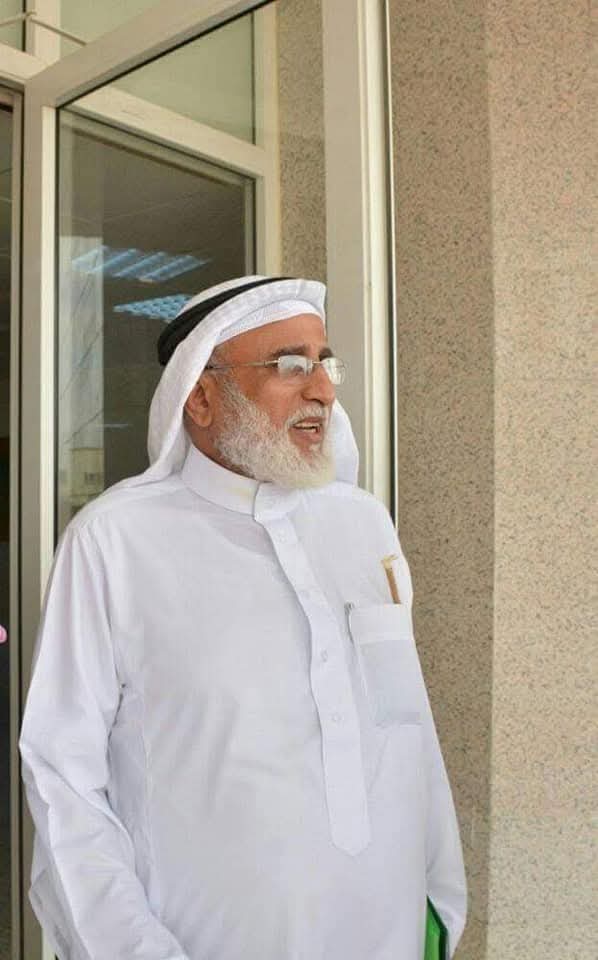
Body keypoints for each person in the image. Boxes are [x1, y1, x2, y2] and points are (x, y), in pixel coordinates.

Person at [20, 276, 467, 960]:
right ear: (200, 397)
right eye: (290, 365)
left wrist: (439, 901)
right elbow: (63, 775)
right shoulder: (114, 540)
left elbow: (408, 727)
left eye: (325, 363)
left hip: (390, 933)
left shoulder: (362, 524)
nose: (323, 390)